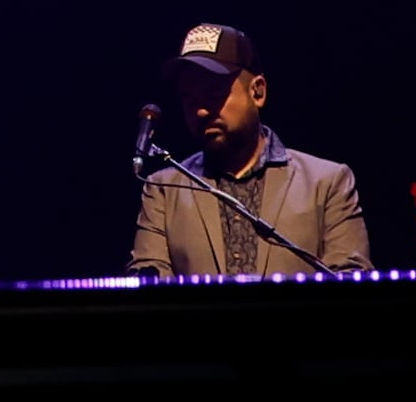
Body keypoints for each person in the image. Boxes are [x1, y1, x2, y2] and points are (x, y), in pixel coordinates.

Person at [127, 21, 369, 276]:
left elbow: (352, 285)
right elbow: (149, 288)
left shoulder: (326, 183)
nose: (201, 110)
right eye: (189, 97)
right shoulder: (163, 190)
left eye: (214, 93)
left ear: (258, 92)